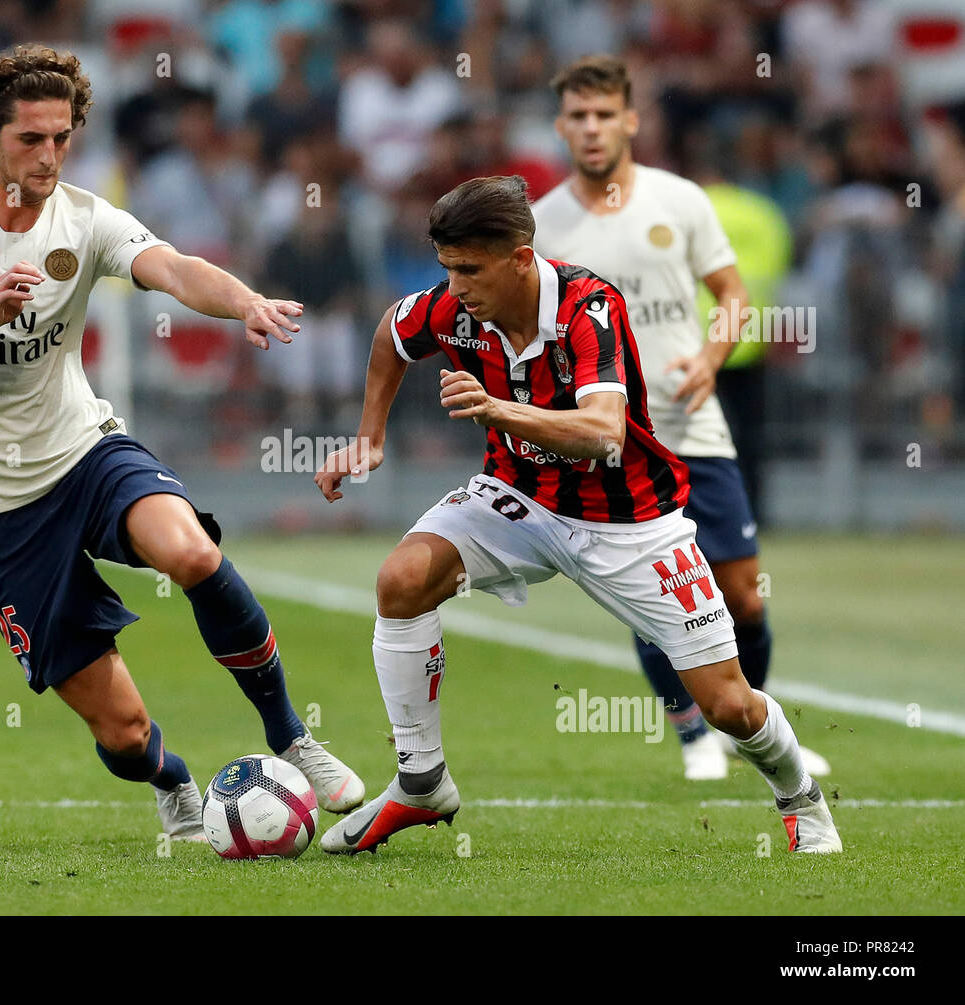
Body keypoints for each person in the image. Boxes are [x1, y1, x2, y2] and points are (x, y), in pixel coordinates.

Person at [0, 44, 363, 842]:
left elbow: (175, 267)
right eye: (31, 139)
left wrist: (245, 301)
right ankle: (174, 781)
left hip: (84, 453)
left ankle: (290, 734)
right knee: (122, 733)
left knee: (189, 552)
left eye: (63, 137)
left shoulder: (86, 219)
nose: (50, 155)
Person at [313, 175, 841, 855]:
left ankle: (801, 797)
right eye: (448, 268)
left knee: (729, 705)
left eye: (470, 269)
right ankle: (420, 780)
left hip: (631, 523)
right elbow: (393, 330)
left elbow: (602, 432)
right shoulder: (452, 308)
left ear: (521, 258)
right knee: (401, 579)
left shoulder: (590, 308)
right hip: (520, 500)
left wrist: (499, 409)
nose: (456, 286)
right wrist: (370, 434)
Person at [531, 55, 828, 781]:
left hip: (694, 424)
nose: (592, 128)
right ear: (561, 125)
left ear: (631, 120)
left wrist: (711, 357)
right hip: (614, 442)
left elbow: (731, 294)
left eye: (605, 114)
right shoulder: (541, 225)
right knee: (652, 595)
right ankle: (694, 732)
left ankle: (751, 717)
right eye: (579, 116)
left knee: (744, 594)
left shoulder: (681, 200)